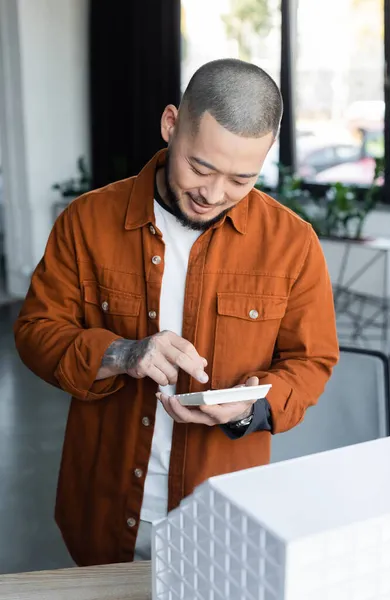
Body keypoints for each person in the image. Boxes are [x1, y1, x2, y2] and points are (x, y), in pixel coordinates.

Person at [14, 58, 339, 566]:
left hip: (225, 517)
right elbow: (35, 332)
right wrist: (122, 354)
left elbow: (312, 361)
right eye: (201, 167)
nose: (213, 194)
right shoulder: (88, 220)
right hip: (102, 508)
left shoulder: (292, 244)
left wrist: (252, 409)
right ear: (170, 125)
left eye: (241, 179)